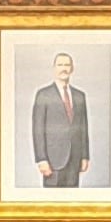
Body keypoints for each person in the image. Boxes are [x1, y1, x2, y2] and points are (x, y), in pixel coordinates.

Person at [31, 49, 94, 187]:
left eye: (67, 65)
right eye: (60, 65)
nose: (64, 68)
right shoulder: (43, 95)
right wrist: (41, 159)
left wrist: (85, 156)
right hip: (53, 161)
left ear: (72, 68)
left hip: (75, 159)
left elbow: (84, 129)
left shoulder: (80, 96)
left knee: (71, 203)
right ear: (54, 69)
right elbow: (37, 129)